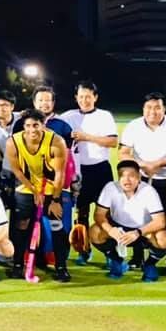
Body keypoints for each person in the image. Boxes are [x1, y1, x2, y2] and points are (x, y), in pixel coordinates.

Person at [118, 91, 166, 267]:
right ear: (143, 109)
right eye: (149, 107)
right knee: (138, 217)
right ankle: (137, 256)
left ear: (164, 109)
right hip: (141, 180)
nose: (153, 112)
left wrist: (156, 164)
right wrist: (142, 164)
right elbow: (123, 152)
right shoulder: (134, 126)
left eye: (157, 108)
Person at [6, 109, 70, 281]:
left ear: (43, 125)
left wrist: (55, 200)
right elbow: (17, 171)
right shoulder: (13, 142)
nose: (32, 130)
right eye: (28, 126)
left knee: (56, 225)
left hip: (51, 187)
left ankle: (61, 267)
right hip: (26, 187)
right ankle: (17, 265)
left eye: (36, 125)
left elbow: (59, 174)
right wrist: (34, 191)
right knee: (21, 224)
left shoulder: (56, 141)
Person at [60, 81, 118, 264]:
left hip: (100, 169)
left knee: (106, 213)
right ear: (76, 98)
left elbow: (112, 142)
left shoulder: (104, 116)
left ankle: (110, 251)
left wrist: (87, 137)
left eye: (88, 96)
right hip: (78, 172)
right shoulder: (67, 117)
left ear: (95, 97)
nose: (84, 100)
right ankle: (83, 251)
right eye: (81, 97)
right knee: (81, 213)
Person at [90, 159, 166, 281]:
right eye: (122, 176)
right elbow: (99, 215)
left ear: (139, 177)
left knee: (163, 238)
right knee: (94, 232)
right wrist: (111, 230)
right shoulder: (110, 187)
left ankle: (150, 264)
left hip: (143, 230)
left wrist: (138, 232)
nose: (126, 180)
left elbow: (160, 221)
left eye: (131, 176)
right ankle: (116, 260)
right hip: (119, 228)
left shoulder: (148, 191)